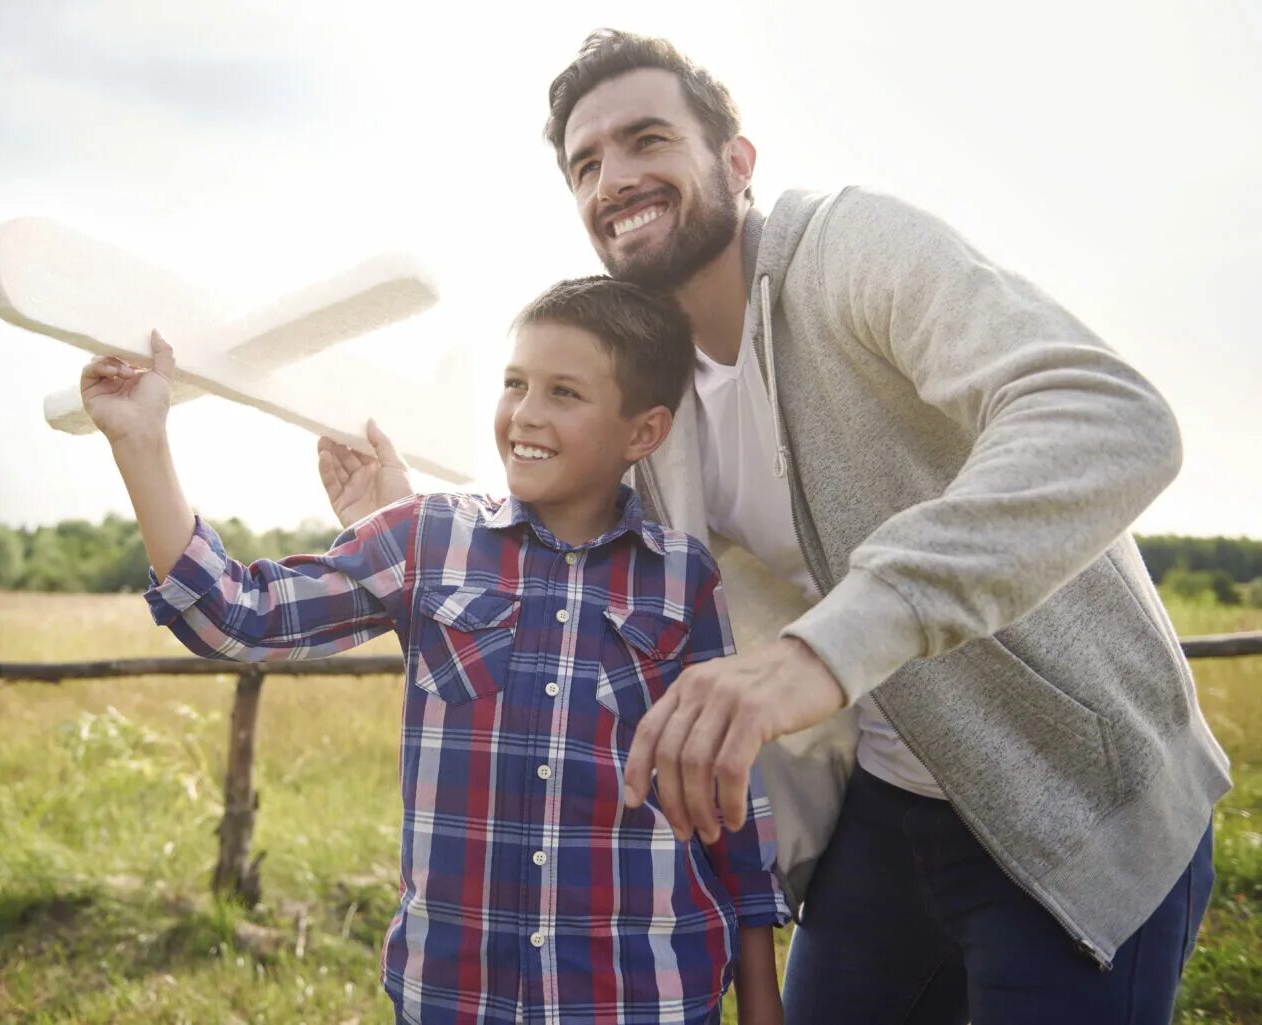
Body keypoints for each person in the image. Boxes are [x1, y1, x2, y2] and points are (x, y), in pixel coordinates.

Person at [316, 28, 1231, 1025]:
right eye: (587, 163)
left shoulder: (853, 249)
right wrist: (397, 529)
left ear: (737, 162)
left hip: (1069, 799)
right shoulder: (647, 400)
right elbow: (573, 582)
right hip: (882, 815)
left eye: (646, 139)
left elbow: (1110, 416)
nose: (615, 177)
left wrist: (822, 650)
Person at [83, 276, 789, 1025]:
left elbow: (728, 807)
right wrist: (140, 441)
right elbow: (237, 614)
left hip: (645, 997)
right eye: (515, 383)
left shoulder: (682, 578)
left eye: (564, 393)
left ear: (642, 433)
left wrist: (761, 1001)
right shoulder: (424, 539)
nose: (525, 413)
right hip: (459, 999)